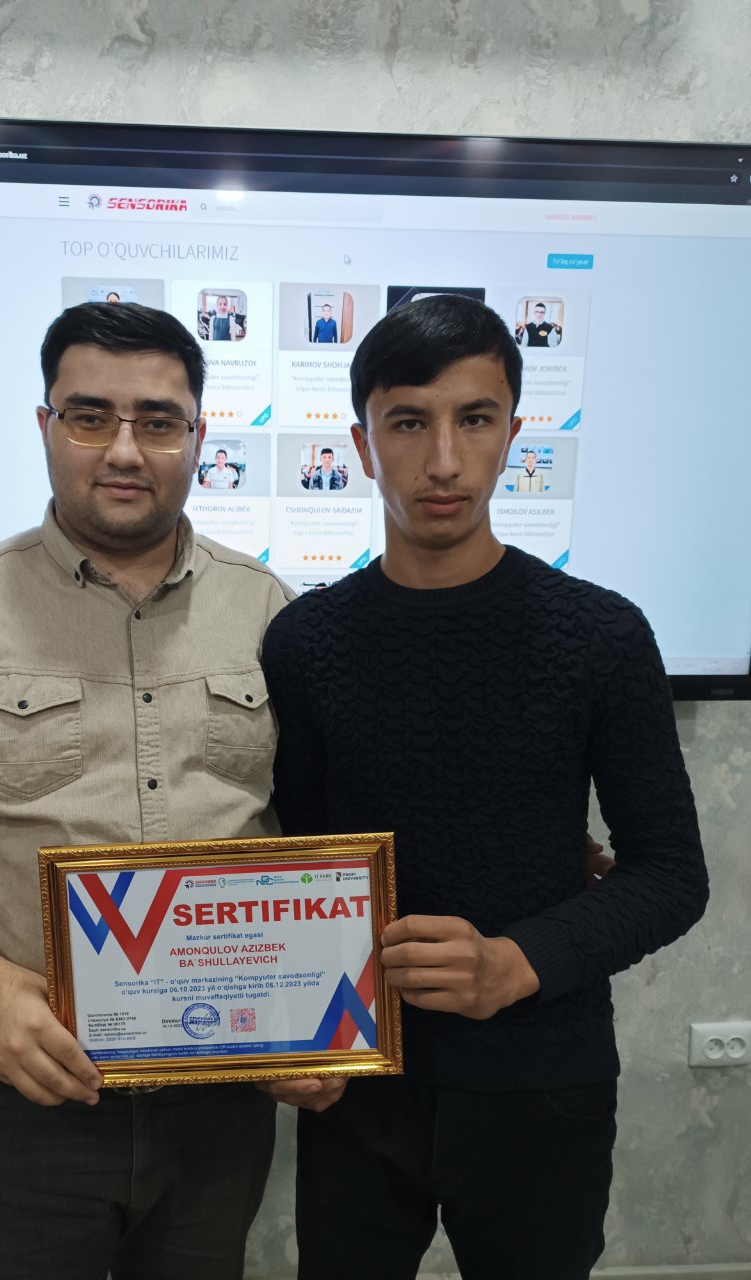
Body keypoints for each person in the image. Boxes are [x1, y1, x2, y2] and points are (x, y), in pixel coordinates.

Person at [0, 302, 291, 1280]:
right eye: (90, 416)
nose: (125, 449)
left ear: (198, 436)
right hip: (2, 1105)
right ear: (45, 425)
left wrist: (320, 1013)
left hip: (214, 1106)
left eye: (158, 421)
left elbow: (313, 824)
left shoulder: (269, 612)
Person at [259, 294, 707, 1280]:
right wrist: (289, 1034)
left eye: (474, 419)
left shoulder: (600, 634)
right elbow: (298, 861)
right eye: (407, 423)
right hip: (362, 1083)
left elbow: (672, 874)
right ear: (361, 444)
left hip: (542, 1077)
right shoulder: (305, 641)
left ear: (513, 431)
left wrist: (517, 960)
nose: (445, 461)